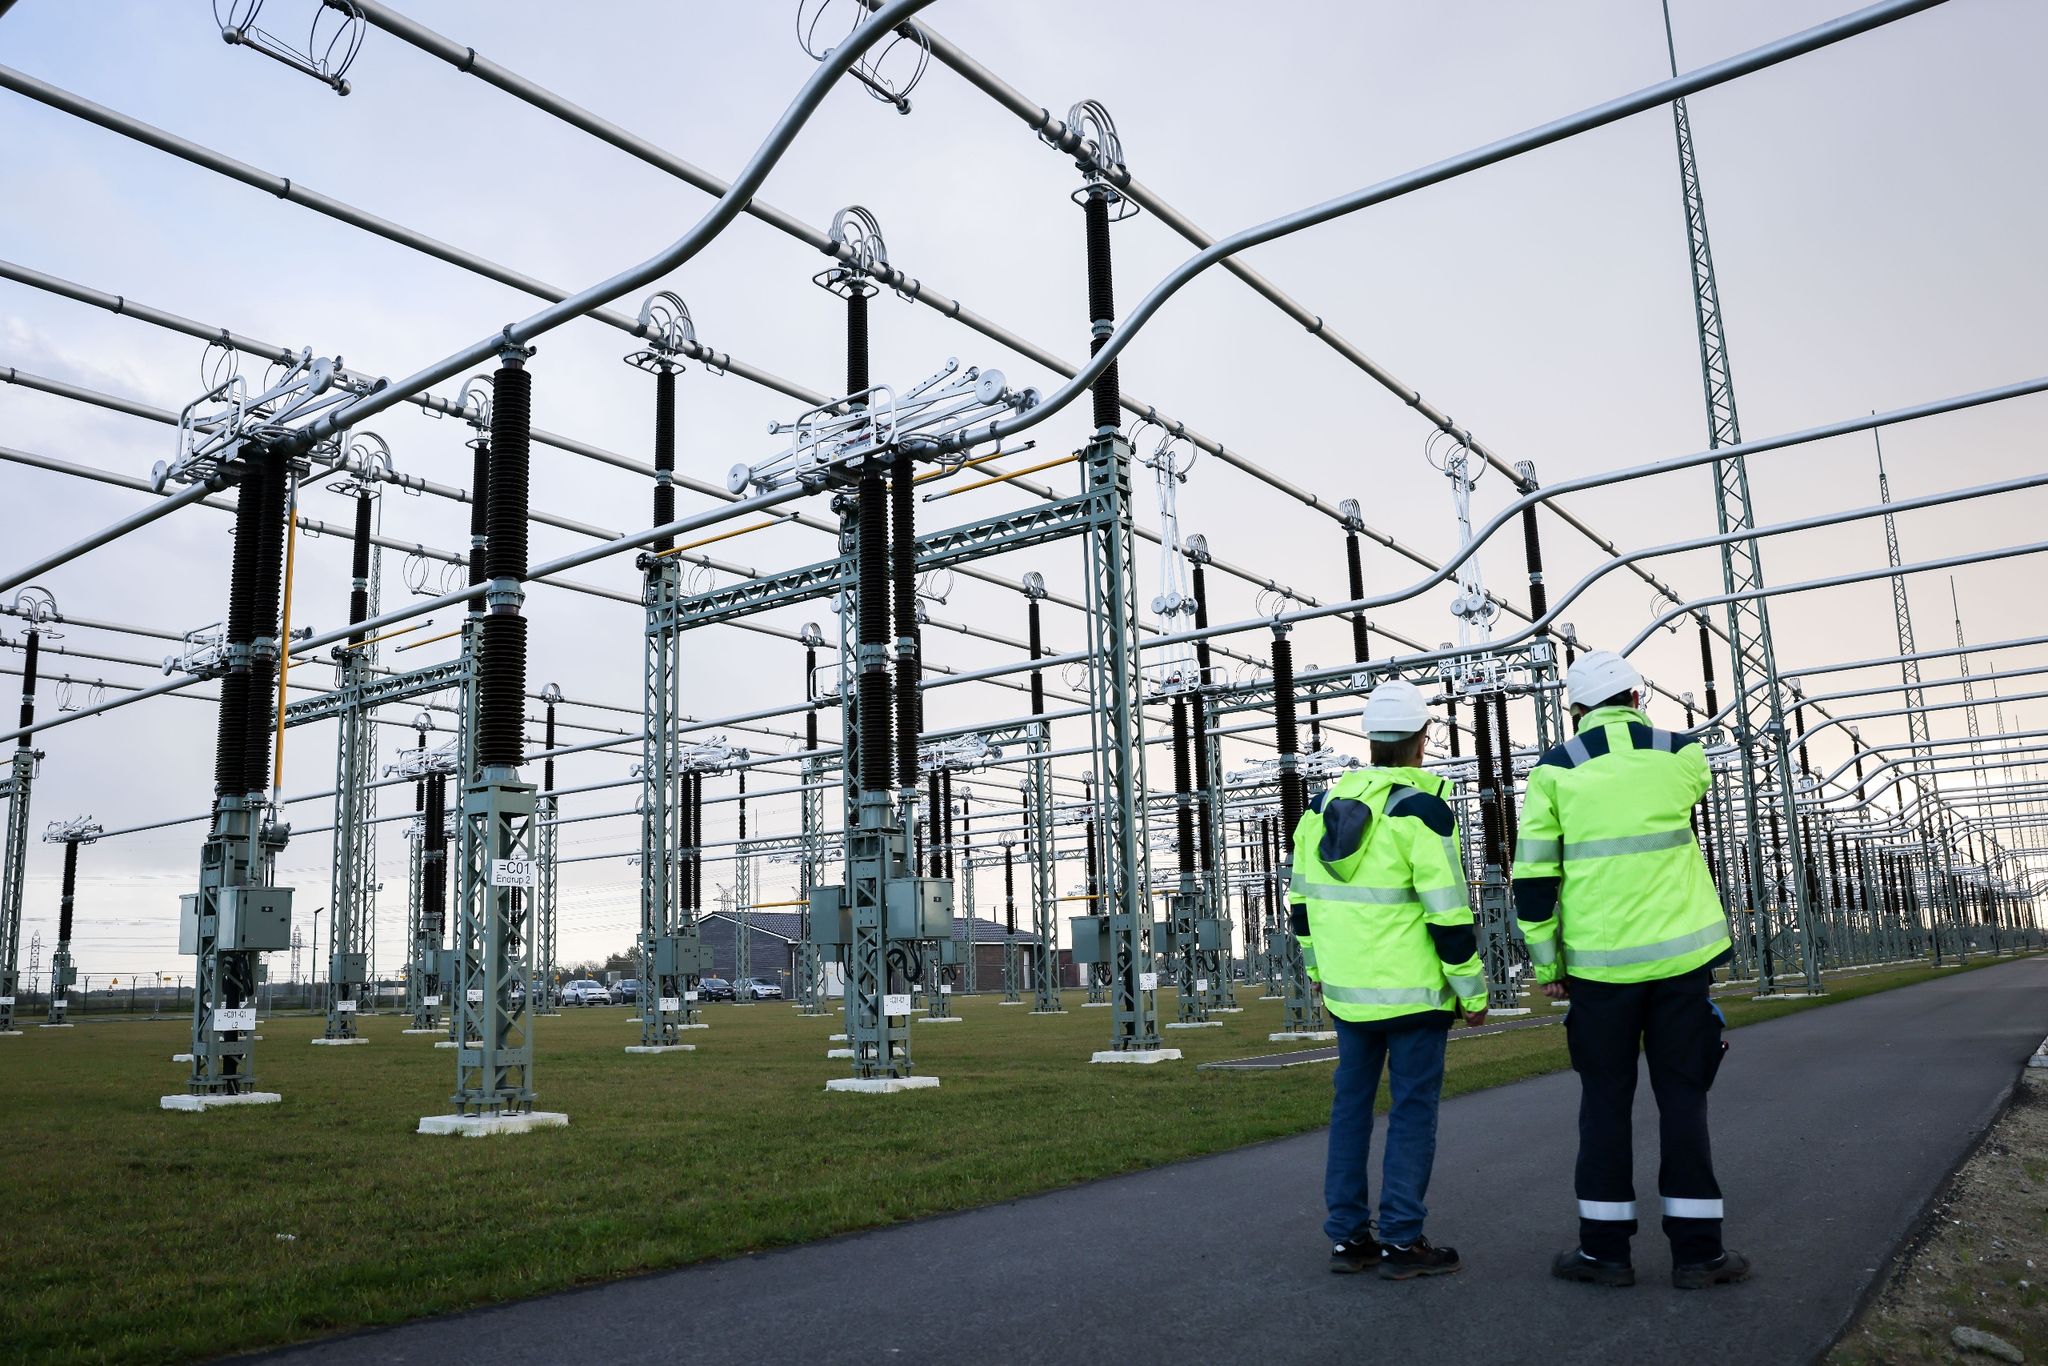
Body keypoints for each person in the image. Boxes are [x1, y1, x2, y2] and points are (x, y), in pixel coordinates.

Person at [1511, 650, 1751, 1290]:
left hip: (1597, 973)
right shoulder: (1682, 753)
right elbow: (1687, 785)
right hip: (1680, 966)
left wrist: (1547, 962)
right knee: (1684, 1100)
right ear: (1637, 699)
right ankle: (1699, 1254)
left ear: (1575, 712)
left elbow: (1533, 881)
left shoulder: (1553, 773)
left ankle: (1604, 1253)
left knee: (1605, 1105)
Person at [1290, 678, 1489, 1281]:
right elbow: (1449, 913)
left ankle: (1349, 1238)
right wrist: (1473, 992)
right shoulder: (1421, 811)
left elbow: (1301, 908)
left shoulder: (1318, 814)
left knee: (1350, 1108)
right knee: (1410, 1111)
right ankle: (1402, 1240)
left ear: (1371, 739)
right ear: (1422, 740)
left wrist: (1320, 973)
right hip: (1415, 998)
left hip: (1350, 997)